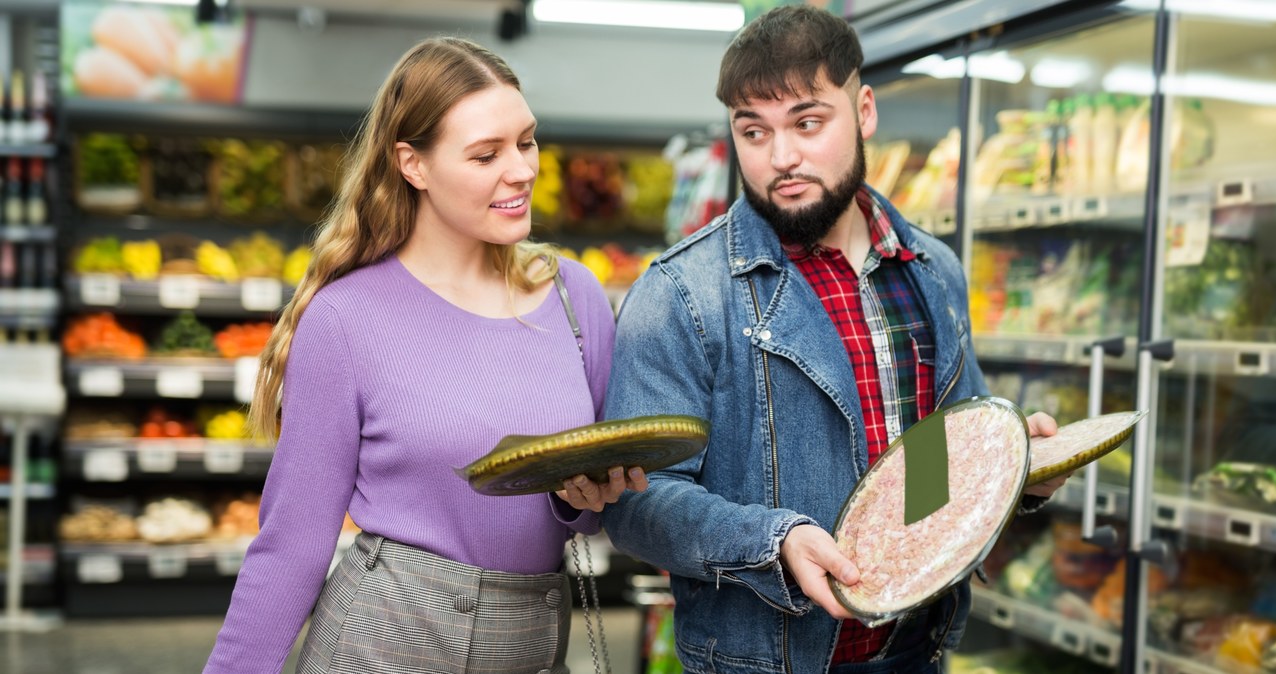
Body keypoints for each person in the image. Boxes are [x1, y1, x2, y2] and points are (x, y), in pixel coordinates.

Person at [600, 7, 1068, 674]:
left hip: (918, 651)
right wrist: (774, 541)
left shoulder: (931, 271)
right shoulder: (681, 293)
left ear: (865, 111)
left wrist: (1016, 467)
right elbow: (635, 501)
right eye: (753, 131)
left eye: (807, 122)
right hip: (763, 660)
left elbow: (934, 463)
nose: (781, 157)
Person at [204, 37, 646, 674]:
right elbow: (292, 546)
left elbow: (589, 510)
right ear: (413, 164)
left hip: (528, 639)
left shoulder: (575, 300)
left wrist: (581, 497)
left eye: (526, 142)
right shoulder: (346, 318)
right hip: (382, 638)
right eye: (485, 154)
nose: (521, 170)